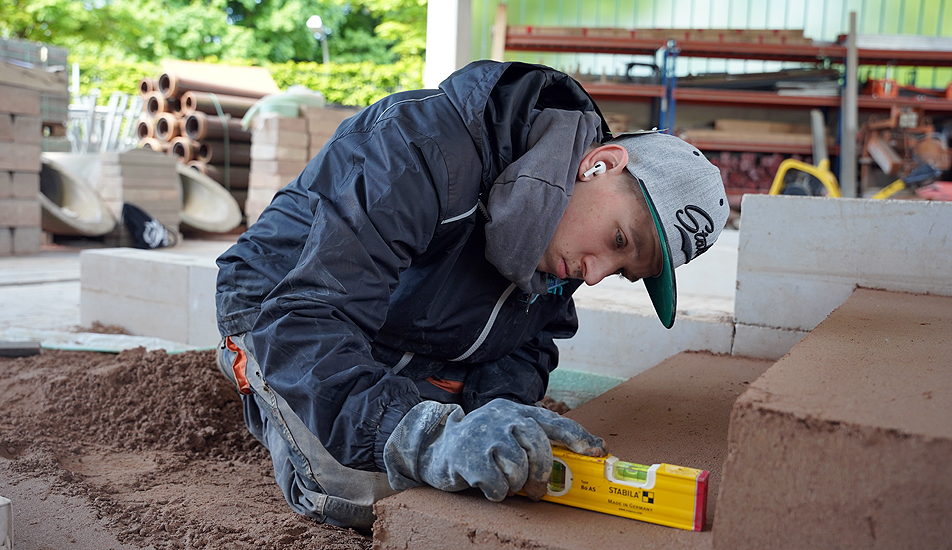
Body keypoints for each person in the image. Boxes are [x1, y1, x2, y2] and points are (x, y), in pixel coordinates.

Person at [214, 60, 728, 531]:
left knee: (487, 467)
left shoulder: (574, 231)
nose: (595, 275)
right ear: (600, 164)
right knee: (371, 490)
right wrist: (430, 439)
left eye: (623, 271)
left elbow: (530, 340)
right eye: (619, 241)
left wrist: (498, 413)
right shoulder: (421, 148)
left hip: (409, 334)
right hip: (281, 311)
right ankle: (270, 390)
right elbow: (309, 315)